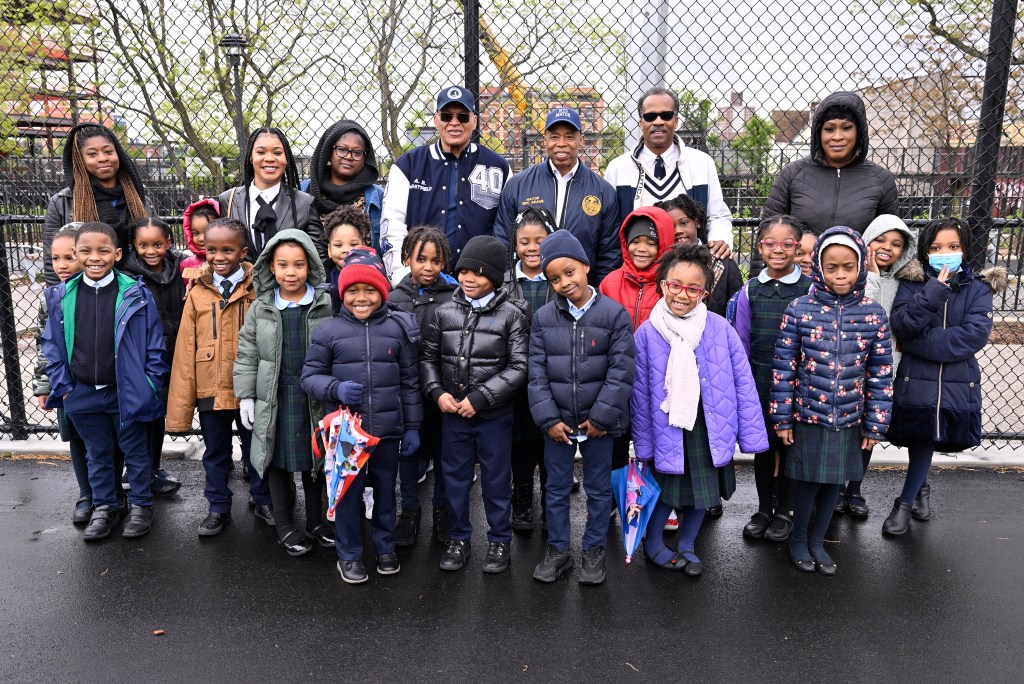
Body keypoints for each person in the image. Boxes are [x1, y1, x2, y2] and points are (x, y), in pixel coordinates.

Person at [632, 244, 767, 575]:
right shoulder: (647, 334)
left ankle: (688, 543)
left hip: (709, 427)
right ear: (662, 284)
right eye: (675, 285)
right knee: (665, 492)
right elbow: (638, 395)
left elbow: (742, 382)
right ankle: (653, 545)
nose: (682, 294)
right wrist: (643, 442)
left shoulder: (720, 328)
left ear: (704, 292)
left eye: (693, 288)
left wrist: (750, 435)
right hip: (667, 429)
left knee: (701, 494)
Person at [771, 227, 893, 575]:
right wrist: (782, 419)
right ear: (819, 267)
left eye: (848, 267)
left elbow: (881, 373)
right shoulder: (799, 309)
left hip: (851, 419)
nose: (841, 275)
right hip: (808, 415)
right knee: (807, 482)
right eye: (832, 267)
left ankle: (818, 541)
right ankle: (798, 541)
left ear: (860, 266)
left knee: (833, 483)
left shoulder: (873, 313)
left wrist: (875, 423)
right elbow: (784, 366)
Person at [301, 248, 422, 583]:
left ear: (382, 292)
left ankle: (385, 548)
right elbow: (309, 378)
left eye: (370, 290)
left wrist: (412, 427)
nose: (361, 297)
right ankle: (349, 554)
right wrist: (335, 389)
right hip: (346, 435)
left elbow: (410, 382)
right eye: (353, 290)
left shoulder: (397, 330)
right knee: (348, 494)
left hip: (387, 431)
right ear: (343, 293)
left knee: (385, 491)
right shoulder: (328, 331)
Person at [41, 221, 167, 541]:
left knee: (135, 452)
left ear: (117, 253)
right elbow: (52, 345)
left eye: (103, 250)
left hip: (125, 392)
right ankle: (105, 506)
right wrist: (65, 387)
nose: (94, 257)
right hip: (82, 393)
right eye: (85, 251)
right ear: (76, 254)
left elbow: (155, 344)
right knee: (97, 454)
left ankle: (140, 506)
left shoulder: (136, 293)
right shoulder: (60, 296)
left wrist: (150, 384)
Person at [883, 218, 1005, 536]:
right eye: (936, 248)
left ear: (965, 249)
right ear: (925, 251)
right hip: (915, 377)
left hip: (955, 379)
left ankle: (904, 503)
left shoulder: (979, 287)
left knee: (928, 437)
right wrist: (935, 290)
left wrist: (919, 344)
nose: (945, 253)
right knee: (922, 436)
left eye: (953, 247)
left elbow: (973, 336)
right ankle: (918, 491)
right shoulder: (913, 282)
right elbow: (904, 325)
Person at [528, 230, 635, 584]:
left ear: (586, 267)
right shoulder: (543, 318)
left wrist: (602, 417)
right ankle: (559, 550)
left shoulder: (614, 314)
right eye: (554, 278)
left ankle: (594, 550)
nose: (563, 282)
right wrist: (547, 419)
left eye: (569, 272)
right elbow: (537, 373)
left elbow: (621, 371)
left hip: (600, 424)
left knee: (598, 488)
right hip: (557, 422)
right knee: (555, 488)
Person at [420, 235, 529, 574]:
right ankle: (458, 538)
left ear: (495, 278)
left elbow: (519, 366)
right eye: (464, 270)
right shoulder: (444, 312)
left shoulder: (513, 315)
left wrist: (481, 399)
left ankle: (499, 540)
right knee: (454, 478)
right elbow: (427, 358)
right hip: (453, 415)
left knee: (496, 480)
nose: (469, 278)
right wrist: (437, 392)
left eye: (478, 273)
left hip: (494, 416)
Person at [167, 218, 272, 536]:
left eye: (228, 249)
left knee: (258, 447)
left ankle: (263, 497)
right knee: (215, 452)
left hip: (250, 388)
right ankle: (217, 507)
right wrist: (182, 406)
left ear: (242, 251)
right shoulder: (197, 293)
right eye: (211, 250)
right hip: (210, 387)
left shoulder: (259, 288)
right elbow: (186, 349)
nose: (219, 256)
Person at [234, 229, 335, 557]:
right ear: (271, 268)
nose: (291, 272)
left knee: (314, 458)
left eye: (299, 264)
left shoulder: (323, 304)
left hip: (313, 397)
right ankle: (283, 525)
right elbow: (247, 351)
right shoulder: (261, 307)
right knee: (277, 459)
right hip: (275, 396)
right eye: (283, 265)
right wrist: (247, 396)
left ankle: (316, 521)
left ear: (310, 267)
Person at [729, 216, 813, 542]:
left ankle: (785, 510)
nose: (778, 250)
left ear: (797, 248)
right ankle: (765, 507)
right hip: (760, 380)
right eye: (770, 243)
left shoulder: (810, 290)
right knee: (764, 448)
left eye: (787, 244)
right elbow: (742, 342)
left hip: (797, 383)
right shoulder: (751, 290)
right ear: (760, 247)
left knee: (790, 446)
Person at [380, 85, 510, 283]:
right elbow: (392, 228)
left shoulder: (498, 167)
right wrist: (403, 280)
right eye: (447, 116)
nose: (454, 123)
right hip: (421, 283)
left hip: (480, 282)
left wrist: (494, 276)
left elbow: (507, 229)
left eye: (463, 117)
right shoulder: (408, 166)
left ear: (474, 120)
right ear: (436, 120)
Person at [838, 214, 919, 517]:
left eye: (896, 244)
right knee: (844, 429)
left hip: (885, 369)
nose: (887, 248)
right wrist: (870, 275)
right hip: (850, 368)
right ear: (866, 240)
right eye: (881, 240)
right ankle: (835, 488)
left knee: (868, 432)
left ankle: (855, 489)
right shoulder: (852, 275)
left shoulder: (905, 283)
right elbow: (859, 313)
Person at [493, 107, 620, 286]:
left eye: (569, 136)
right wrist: (510, 287)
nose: (561, 143)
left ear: (581, 140)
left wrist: (597, 297)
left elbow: (609, 253)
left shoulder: (603, 191)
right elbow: (503, 240)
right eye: (554, 136)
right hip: (527, 290)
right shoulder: (518, 185)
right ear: (545, 140)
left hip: (579, 292)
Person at [599, 206, 674, 502]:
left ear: (664, 244)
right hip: (616, 380)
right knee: (614, 444)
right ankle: (611, 501)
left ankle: (655, 501)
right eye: (635, 241)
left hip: (656, 382)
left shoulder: (669, 285)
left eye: (651, 242)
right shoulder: (610, 282)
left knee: (654, 444)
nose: (642, 248)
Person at [388, 225, 457, 546]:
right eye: (421, 259)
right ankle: (410, 511)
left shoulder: (453, 296)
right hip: (407, 393)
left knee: (445, 454)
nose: (428, 267)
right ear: (406, 259)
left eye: (436, 260)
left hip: (443, 392)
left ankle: (442, 511)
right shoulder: (393, 298)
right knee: (409, 455)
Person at [604, 87, 733, 258]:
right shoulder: (618, 168)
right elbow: (609, 227)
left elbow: (718, 215)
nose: (658, 122)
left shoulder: (702, 163)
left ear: (676, 120)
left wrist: (720, 239)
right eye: (650, 116)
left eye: (666, 115)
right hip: (638, 268)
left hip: (690, 265)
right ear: (641, 122)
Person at [762, 91, 899, 239]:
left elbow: (891, 238)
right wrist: (760, 263)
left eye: (846, 128)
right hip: (802, 262)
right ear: (818, 133)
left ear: (859, 131)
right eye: (829, 129)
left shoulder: (880, 179)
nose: (837, 137)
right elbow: (768, 233)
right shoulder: (792, 174)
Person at [120, 217, 185, 497]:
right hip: (145, 359)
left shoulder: (182, 269)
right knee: (144, 415)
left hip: (178, 353)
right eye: (143, 245)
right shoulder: (127, 275)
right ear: (134, 246)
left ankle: (153, 467)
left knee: (158, 416)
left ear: (168, 243)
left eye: (157, 244)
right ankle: (138, 471)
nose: (151, 251)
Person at [33, 224, 92, 524]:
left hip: (98, 380)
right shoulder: (50, 296)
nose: (62, 265)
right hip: (66, 383)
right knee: (77, 439)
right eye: (56, 259)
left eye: (69, 257)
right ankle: (86, 494)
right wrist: (44, 383)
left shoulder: (101, 292)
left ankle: (111, 493)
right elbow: (44, 343)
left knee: (106, 438)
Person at [42, 123, 152, 285]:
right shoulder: (62, 202)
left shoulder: (139, 199)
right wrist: (58, 301)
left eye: (108, 151)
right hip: (84, 293)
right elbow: (52, 263)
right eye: (92, 154)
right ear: (81, 160)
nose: (103, 158)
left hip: (135, 289)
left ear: (118, 154)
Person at [504, 208, 557, 530]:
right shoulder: (505, 282)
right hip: (518, 377)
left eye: (540, 241)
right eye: (525, 241)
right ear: (515, 245)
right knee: (521, 443)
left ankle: (552, 503)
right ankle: (522, 499)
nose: (532, 247)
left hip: (552, 376)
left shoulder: (559, 277)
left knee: (551, 442)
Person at [218, 127, 325, 264]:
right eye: (261, 152)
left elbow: (318, 257)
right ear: (251, 157)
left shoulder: (304, 203)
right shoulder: (228, 200)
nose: (269, 158)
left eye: (277, 153)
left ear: (286, 158)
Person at [303, 120, 385, 252]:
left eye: (357, 152)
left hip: (362, 270)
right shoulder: (305, 190)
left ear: (365, 158)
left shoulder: (378, 197)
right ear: (328, 152)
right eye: (341, 149)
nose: (348, 156)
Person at [656, 194, 743, 317]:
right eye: (670, 226)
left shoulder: (721, 259)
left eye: (684, 223)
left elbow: (738, 309)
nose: (678, 231)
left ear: (696, 222)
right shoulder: (661, 265)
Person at [320, 205, 373, 310]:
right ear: (329, 250)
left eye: (353, 244)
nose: (346, 250)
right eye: (338, 245)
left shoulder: (374, 274)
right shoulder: (321, 279)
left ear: (365, 246)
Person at [180, 198, 219, 276]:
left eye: (207, 232)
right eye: (196, 233)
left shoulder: (231, 264)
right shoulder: (186, 265)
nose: (201, 239)